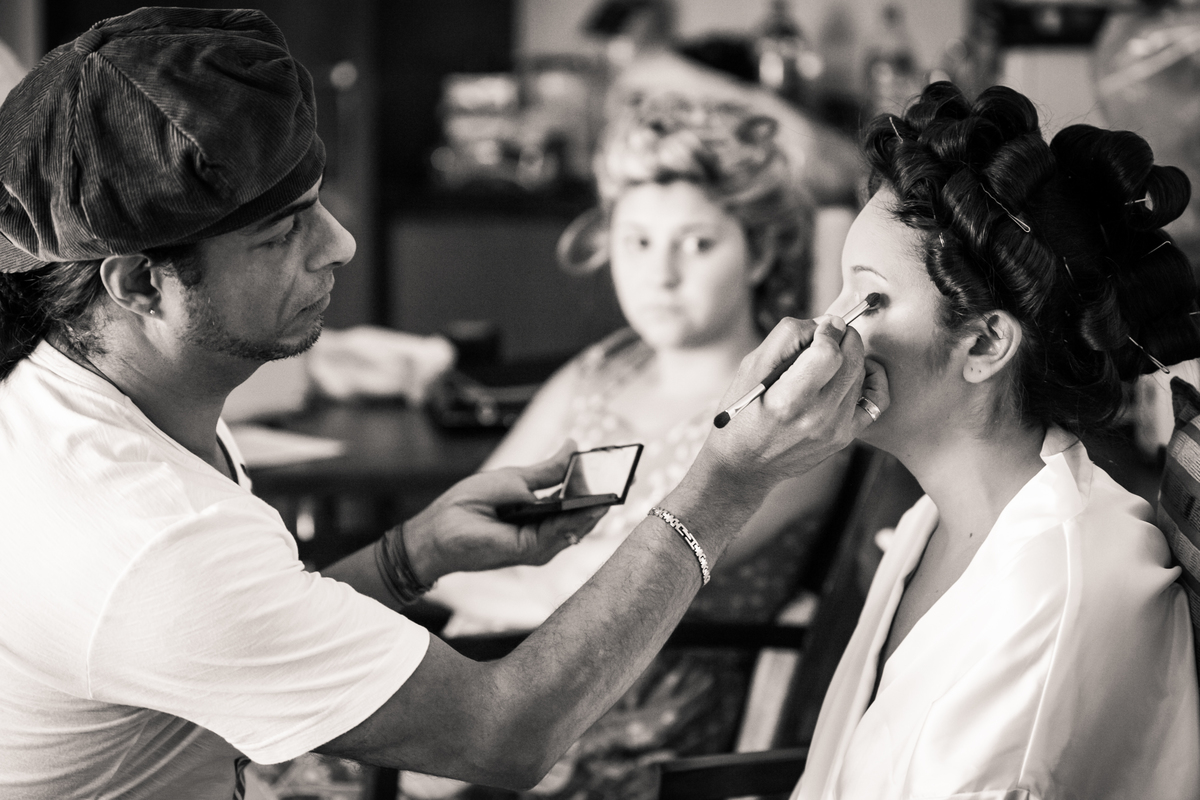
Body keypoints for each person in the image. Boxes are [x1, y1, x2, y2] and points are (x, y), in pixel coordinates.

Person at [0, 9, 885, 800]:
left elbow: (238, 628)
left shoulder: (100, 393)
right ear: (139, 284)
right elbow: (502, 736)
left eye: (319, 207)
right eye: (283, 233)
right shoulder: (150, 537)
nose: (339, 244)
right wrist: (728, 477)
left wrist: (408, 555)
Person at [421, 95, 850, 799]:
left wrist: (505, 577)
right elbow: (460, 538)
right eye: (639, 242)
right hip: (508, 672)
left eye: (698, 243)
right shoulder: (601, 369)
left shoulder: (783, 407)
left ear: (759, 250)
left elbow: (602, 587)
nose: (663, 273)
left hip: (640, 717)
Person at [794, 81, 1200, 800]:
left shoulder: (1046, 598)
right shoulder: (938, 517)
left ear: (984, 343)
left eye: (868, 298)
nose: (826, 330)